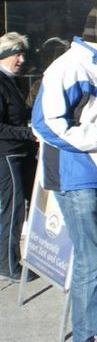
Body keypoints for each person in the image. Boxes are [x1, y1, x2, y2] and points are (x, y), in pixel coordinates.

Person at [31, 4, 97, 342]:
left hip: (88, 173)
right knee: (90, 264)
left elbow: (76, 120)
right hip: (75, 176)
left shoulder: (87, 65)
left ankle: (90, 329)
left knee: (91, 261)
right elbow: (45, 125)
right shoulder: (69, 68)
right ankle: (86, 335)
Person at [0, 32, 37, 282]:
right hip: (8, 155)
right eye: (17, 54)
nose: (21, 59)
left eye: (22, 54)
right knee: (12, 211)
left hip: (18, 153)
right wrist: (29, 133)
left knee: (15, 210)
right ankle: (8, 264)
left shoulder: (12, 80)